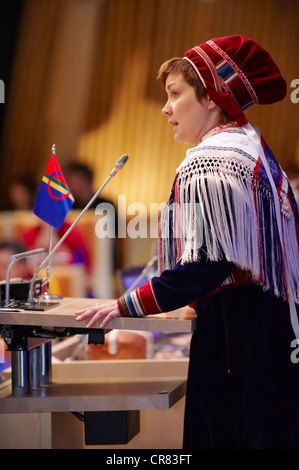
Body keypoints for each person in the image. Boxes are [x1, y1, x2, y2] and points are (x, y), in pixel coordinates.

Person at [75, 36, 299, 449]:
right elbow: (244, 258)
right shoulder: (254, 150)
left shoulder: (210, 160)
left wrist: (127, 303)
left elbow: (207, 263)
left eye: (175, 94)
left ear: (212, 96)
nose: (165, 108)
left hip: (234, 340)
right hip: (272, 331)